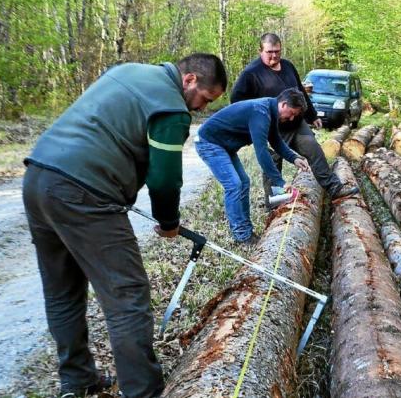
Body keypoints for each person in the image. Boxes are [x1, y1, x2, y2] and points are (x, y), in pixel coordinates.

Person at [22, 54, 226, 398]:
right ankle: (143, 391)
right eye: (205, 99)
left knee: (62, 290)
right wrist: (169, 222)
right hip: (85, 192)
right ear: (189, 80)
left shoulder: (127, 71)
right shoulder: (171, 107)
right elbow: (164, 180)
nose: (201, 108)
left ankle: (77, 379)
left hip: (38, 177)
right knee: (127, 296)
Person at [230, 33, 358, 202]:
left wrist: (312, 115)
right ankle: (274, 202)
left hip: (297, 124)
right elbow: (236, 100)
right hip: (271, 129)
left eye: (277, 51)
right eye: (269, 52)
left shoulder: (288, 66)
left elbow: (300, 92)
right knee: (272, 165)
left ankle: (333, 187)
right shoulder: (251, 73)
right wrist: (253, 122)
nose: (274, 55)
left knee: (314, 150)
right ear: (260, 50)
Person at [195, 88, 311, 244]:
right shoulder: (261, 113)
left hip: (224, 146)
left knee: (244, 182)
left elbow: (276, 141)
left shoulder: (269, 111)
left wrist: (294, 158)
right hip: (209, 143)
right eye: (291, 113)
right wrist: (280, 182)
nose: (291, 118)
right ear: (283, 104)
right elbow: (262, 151)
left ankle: (246, 231)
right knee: (234, 185)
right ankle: (242, 235)